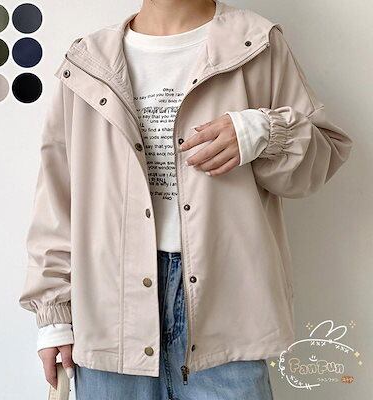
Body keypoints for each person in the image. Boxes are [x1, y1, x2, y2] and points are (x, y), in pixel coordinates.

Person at [18, 0, 353, 398]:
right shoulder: (89, 60)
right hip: (109, 312)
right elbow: (57, 197)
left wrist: (263, 131)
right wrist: (54, 314)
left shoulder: (256, 42)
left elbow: (322, 158)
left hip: (227, 308)